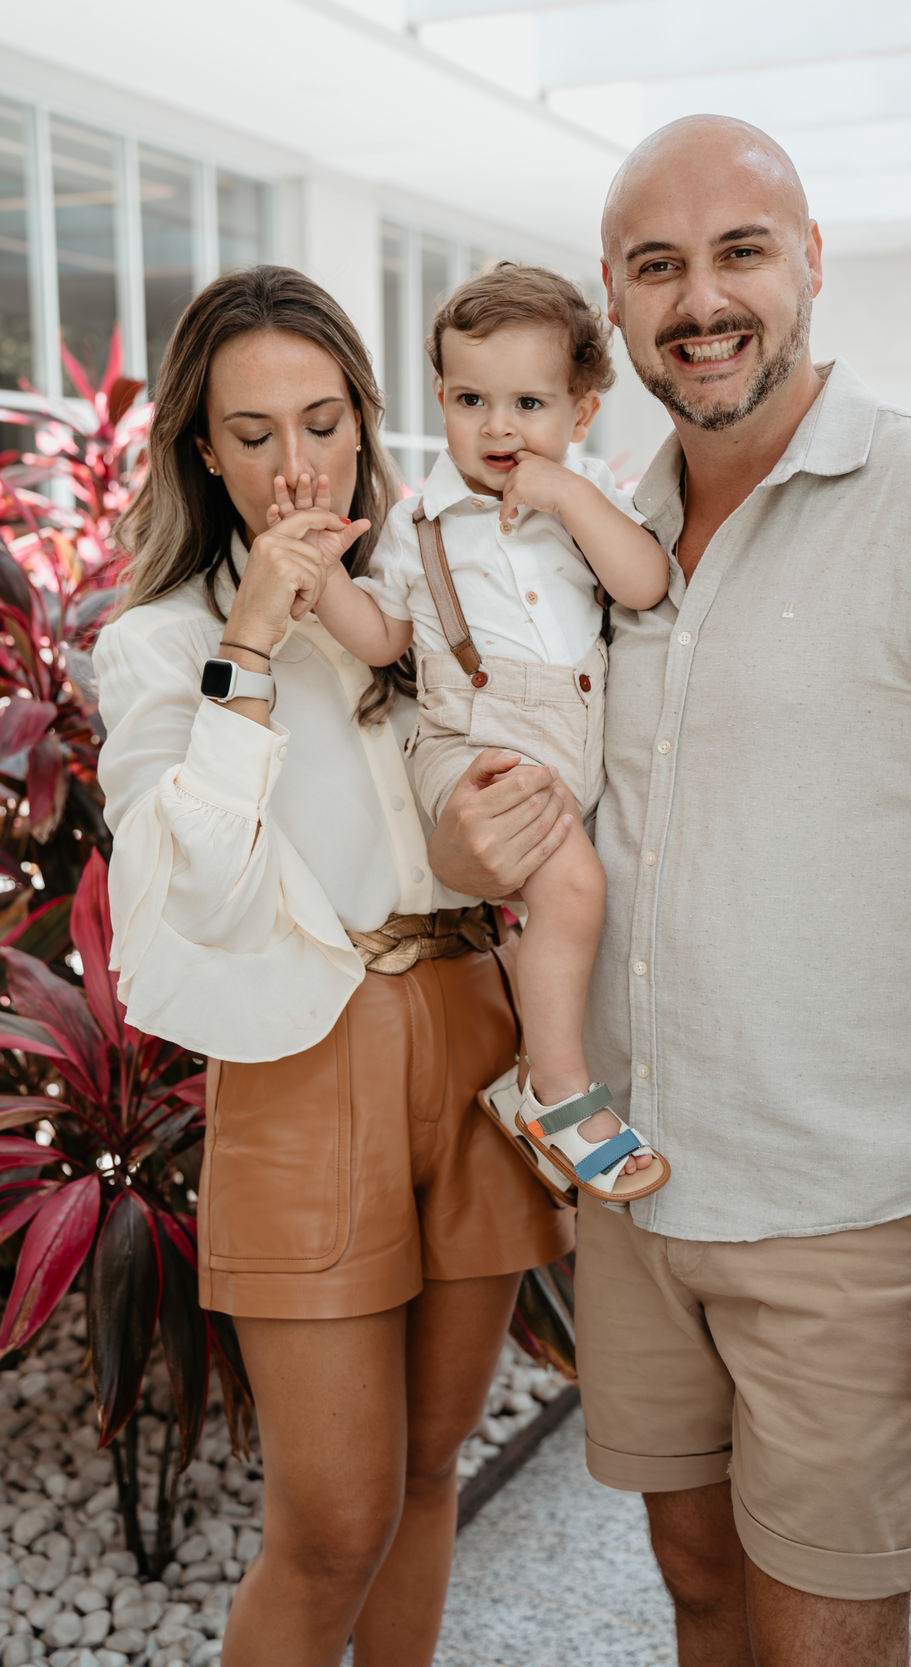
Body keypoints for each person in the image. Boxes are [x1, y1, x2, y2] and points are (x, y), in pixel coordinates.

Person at [427, 116, 911, 1667]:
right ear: (613, 299)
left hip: (846, 1219)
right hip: (640, 1194)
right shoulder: (598, 534)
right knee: (698, 1587)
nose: (701, 300)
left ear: (809, 261)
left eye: (739, 252)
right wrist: (463, 841)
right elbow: (520, 782)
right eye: (657, 266)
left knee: (826, 1633)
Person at [95, 264, 574, 1667]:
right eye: (254, 435)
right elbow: (195, 887)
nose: (297, 469)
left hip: (472, 1027)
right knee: (331, 1523)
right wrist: (250, 641)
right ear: (203, 449)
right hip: (307, 1056)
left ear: (364, 421)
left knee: (428, 1473)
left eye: (323, 424)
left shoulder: (432, 590)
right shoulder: (157, 643)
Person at [289, 263, 670, 1206]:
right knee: (573, 887)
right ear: (442, 400)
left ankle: (532, 1075)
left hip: (572, 749)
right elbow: (385, 638)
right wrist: (325, 578)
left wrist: (569, 498)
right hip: (471, 743)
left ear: (582, 413)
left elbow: (644, 583)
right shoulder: (418, 526)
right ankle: (558, 1090)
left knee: (589, 901)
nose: (499, 428)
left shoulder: (588, 501)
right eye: (471, 400)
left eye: (529, 404)